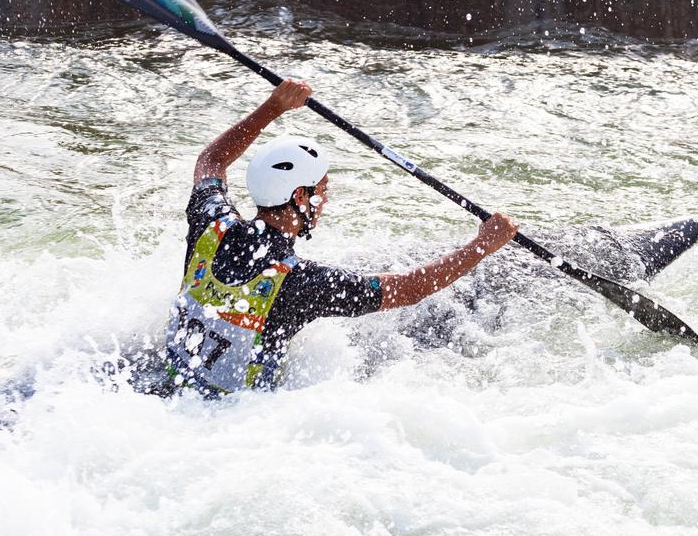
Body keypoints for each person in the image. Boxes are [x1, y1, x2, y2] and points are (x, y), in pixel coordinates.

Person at [164, 79, 518, 397]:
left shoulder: (212, 225)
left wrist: (273, 108)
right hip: (233, 423)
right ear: (300, 197)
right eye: (322, 188)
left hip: (167, 385)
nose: (326, 199)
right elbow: (409, 289)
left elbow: (211, 160)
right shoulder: (299, 283)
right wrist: (482, 246)